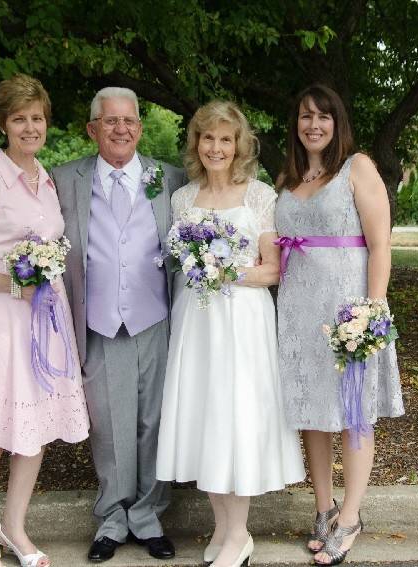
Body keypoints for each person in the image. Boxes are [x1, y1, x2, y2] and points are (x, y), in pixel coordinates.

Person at [0, 74, 90, 567]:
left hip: (46, 319)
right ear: (3, 124)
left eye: (37, 118)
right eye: (19, 119)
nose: (30, 127)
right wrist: (10, 283)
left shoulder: (45, 178)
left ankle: (14, 528)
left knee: (35, 427)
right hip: (0, 318)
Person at [155, 100, 305, 567]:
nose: (216, 148)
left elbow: (272, 272)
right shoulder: (183, 199)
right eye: (208, 138)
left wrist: (220, 270)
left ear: (238, 145)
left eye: (225, 139)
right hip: (196, 323)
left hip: (241, 322)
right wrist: (198, 267)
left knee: (235, 418)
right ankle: (223, 528)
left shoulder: (259, 194)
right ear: (196, 143)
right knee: (206, 419)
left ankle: (239, 535)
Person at [51, 87, 187, 563]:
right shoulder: (64, 179)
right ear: (92, 129)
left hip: (155, 318)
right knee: (108, 425)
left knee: (153, 420)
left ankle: (149, 515)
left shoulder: (169, 178)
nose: (121, 129)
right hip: (100, 321)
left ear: (140, 128)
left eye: (129, 121)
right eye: (110, 121)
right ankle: (112, 517)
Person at [274, 84, 405, 566]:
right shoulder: (287, 177)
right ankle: (323, 506)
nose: (314, 125)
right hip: (298, 312)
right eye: (306, 116)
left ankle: (350, 517)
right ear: (296, 125)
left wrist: (371, 310)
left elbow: (381, 245)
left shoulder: (358, 168)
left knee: (352, 412)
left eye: (323, 117)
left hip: (347, 312)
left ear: (337, 123)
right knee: (312, 412)